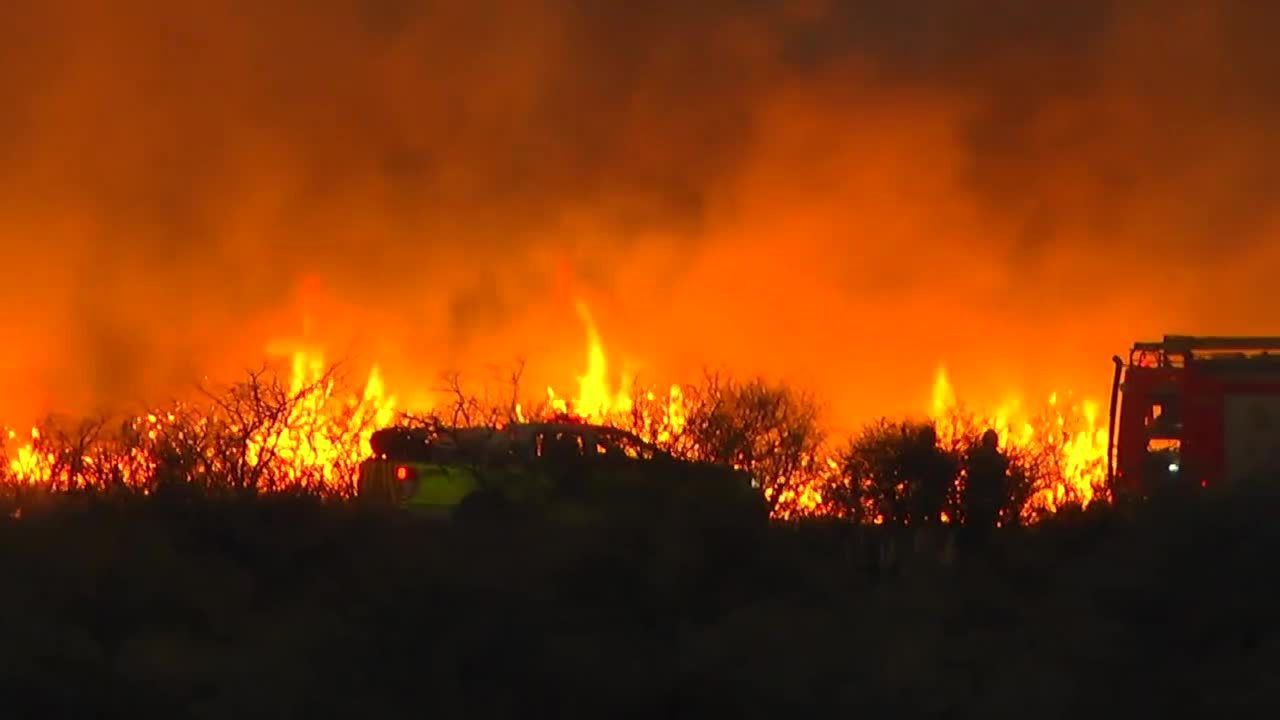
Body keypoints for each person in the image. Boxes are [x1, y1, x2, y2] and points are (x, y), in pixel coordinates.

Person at [963, 429, 1009, 547]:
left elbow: (970, 478)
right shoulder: (999, 460)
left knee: (973, 536)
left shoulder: (976, 457)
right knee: (987, 536)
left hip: (977, 502)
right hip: (988, 503)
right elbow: (1002, 483)